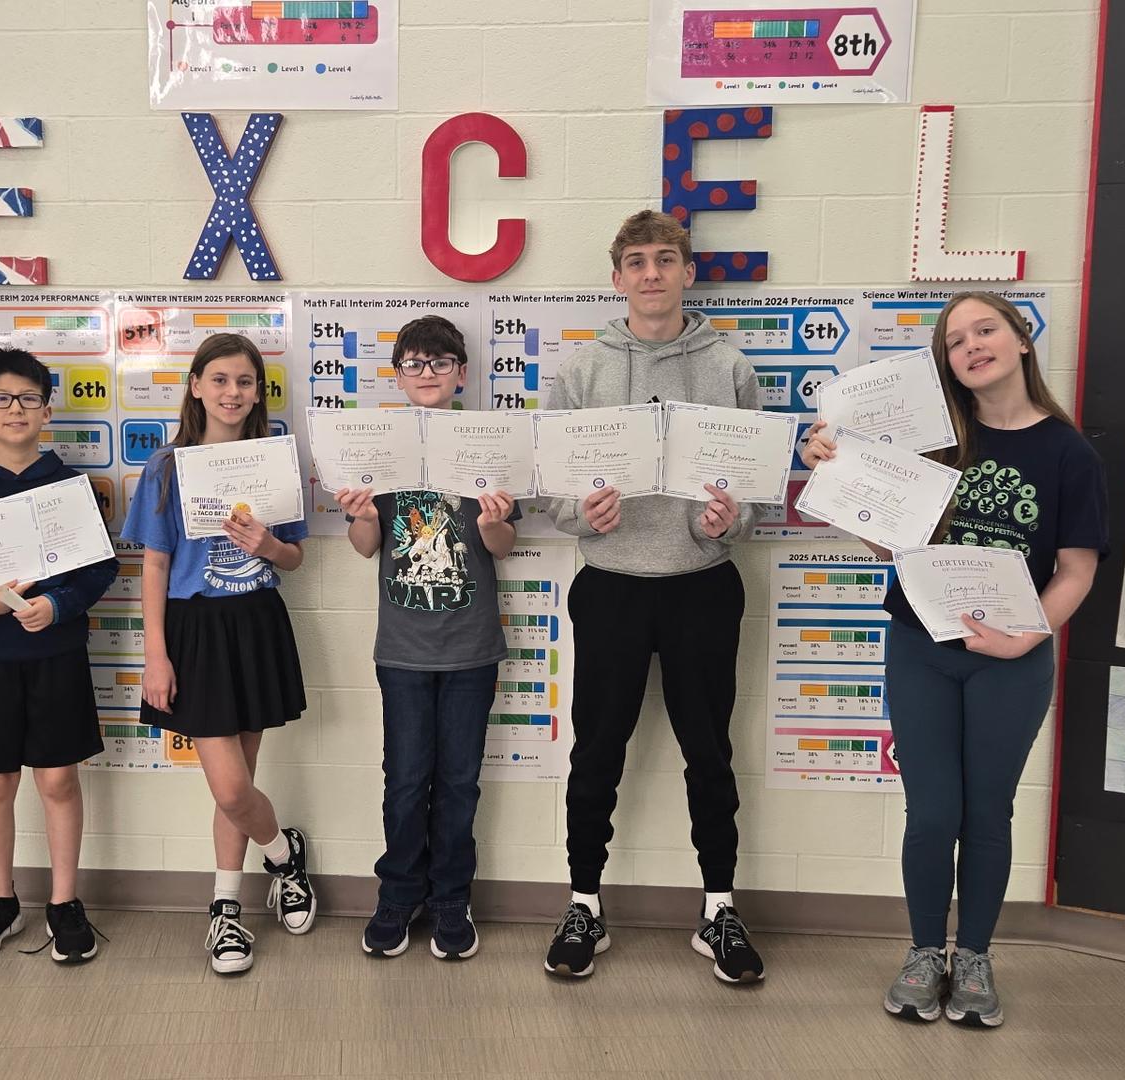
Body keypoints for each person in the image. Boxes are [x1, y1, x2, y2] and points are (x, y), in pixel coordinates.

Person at [801, 291, 1107, 1028]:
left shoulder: (1069, 452)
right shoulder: (932, 442)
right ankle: (922, 953)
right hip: (921, 647)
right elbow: (889, 542)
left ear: (1022, 339)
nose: (972, 345)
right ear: (946, 363)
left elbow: (1076, 570)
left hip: (1013, 658)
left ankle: (973, 957)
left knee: (987, 812)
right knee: (933, 811)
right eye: (955, 340)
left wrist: (1027, 637)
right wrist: (837, 474)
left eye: (986, 329)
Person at [540, 210, 767, 985]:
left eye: (665, 259)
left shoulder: (729, 367)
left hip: (703, 587)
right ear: (617, 278)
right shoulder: (582, 372)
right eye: (636, 261)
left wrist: (732, 520)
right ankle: (584, 903)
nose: (651, 273)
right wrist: (582, 514)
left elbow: (756, 489)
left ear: (687, 273)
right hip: (611, 588)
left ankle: (718, 909)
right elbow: (552, 489)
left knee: (710, 752)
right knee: (597, 750)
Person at [119, 332, 317, 975]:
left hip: (255, 622)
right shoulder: (166, 467)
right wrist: (155, 656)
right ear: (197, 387)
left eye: (246, 382)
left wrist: (267, 545)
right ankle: (284, 855)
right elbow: (153, 565)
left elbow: (294, 557)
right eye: (221, 379)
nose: (233, 392)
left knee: (241, 784)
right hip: (194, 630)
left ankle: (226, 908)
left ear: (258, 393)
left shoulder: (274, 461)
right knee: (231, 788)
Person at [333, 316, 519, 961]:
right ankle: (398, 893)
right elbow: (366, 546)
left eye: (440, 362)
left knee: (460, 781)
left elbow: (503, 545)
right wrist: (360, 515)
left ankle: (450, 898)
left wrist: (493, 521)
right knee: (406, 780)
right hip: (403, 650)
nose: (427, 373)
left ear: (461, 373)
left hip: (472, 647)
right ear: (398, 376)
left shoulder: (487, 443)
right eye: (413, 363)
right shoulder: (380, 450)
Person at [0, 347, 120, 964]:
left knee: (59, 780)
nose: (15, 409)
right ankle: (0, 901)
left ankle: (64, 903)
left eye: (28, 399)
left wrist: (58, 605)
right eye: (1, 399)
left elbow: (99, 570)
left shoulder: (70, 488)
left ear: (47, 410)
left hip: (55, 654)